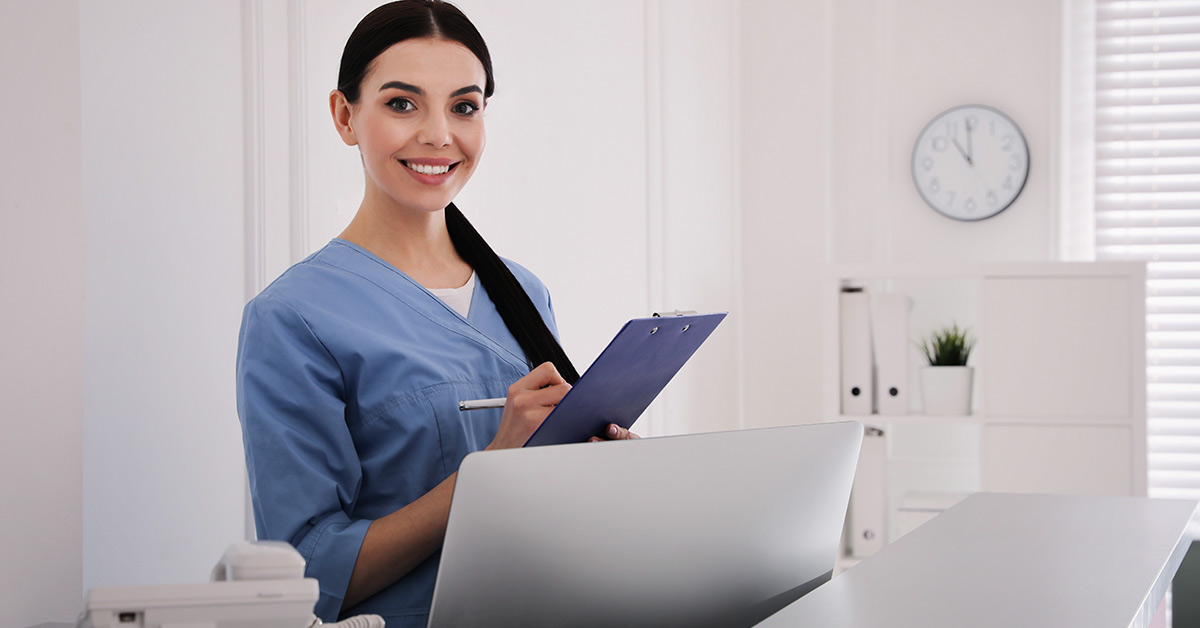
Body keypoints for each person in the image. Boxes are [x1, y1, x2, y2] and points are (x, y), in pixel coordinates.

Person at [234, 1, 637, 625]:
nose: (438, 134)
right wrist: (486, 475)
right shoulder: (293, 317)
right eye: (402, 103)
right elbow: (305, 573)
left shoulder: (523, 292)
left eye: (464, 106)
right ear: (345, 116)